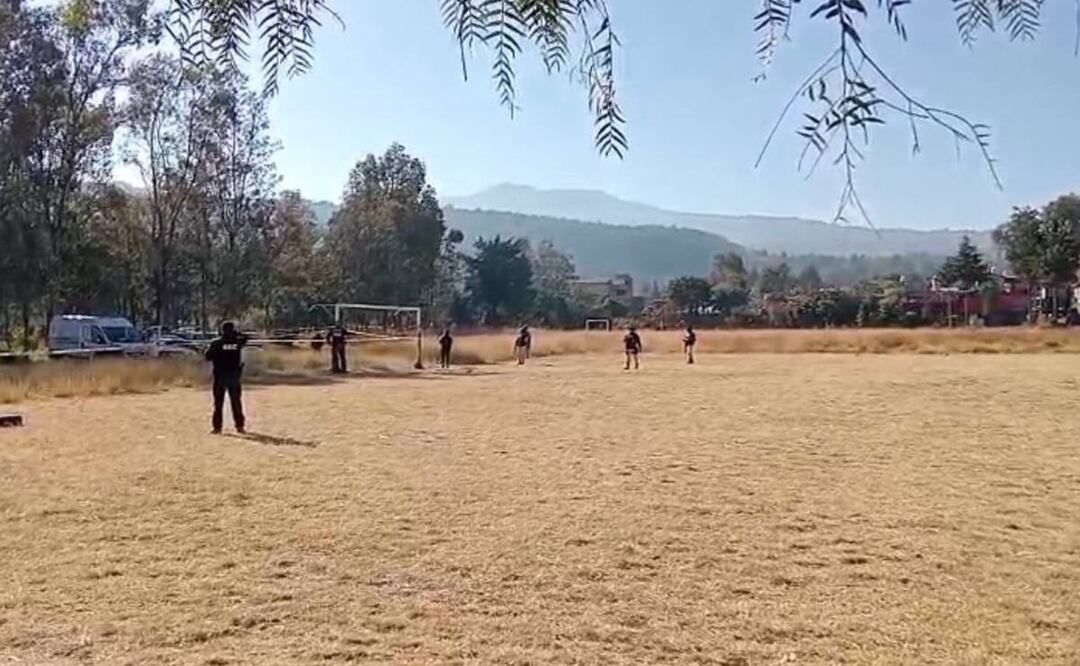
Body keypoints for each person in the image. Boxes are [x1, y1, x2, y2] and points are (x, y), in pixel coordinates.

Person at [205, 321, 249, 434]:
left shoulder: (216, 343)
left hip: (220, 376)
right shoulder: (237, 342)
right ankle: (240, 426)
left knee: (218, 403)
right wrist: (236, 334)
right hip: (234, 376)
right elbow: (245, 337)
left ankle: (217, 427)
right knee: (236, 403)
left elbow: (207, 356)